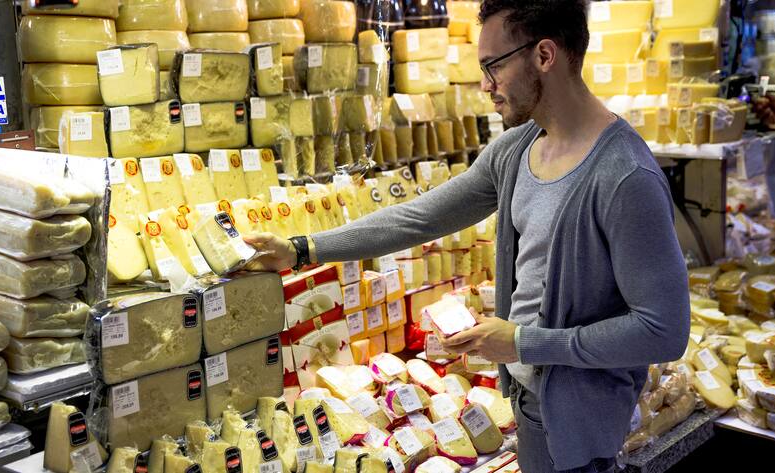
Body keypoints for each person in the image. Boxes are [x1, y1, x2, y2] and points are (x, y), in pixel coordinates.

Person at [244, 1, 690, 471]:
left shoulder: (624, 176)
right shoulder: (518, 149)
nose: (485, 85)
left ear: (544, 55)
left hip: (580, 428)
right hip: (527, 406)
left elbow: (663, 331)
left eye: (493, 66)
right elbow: (419, 218)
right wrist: (300, 249)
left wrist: (523, 342)